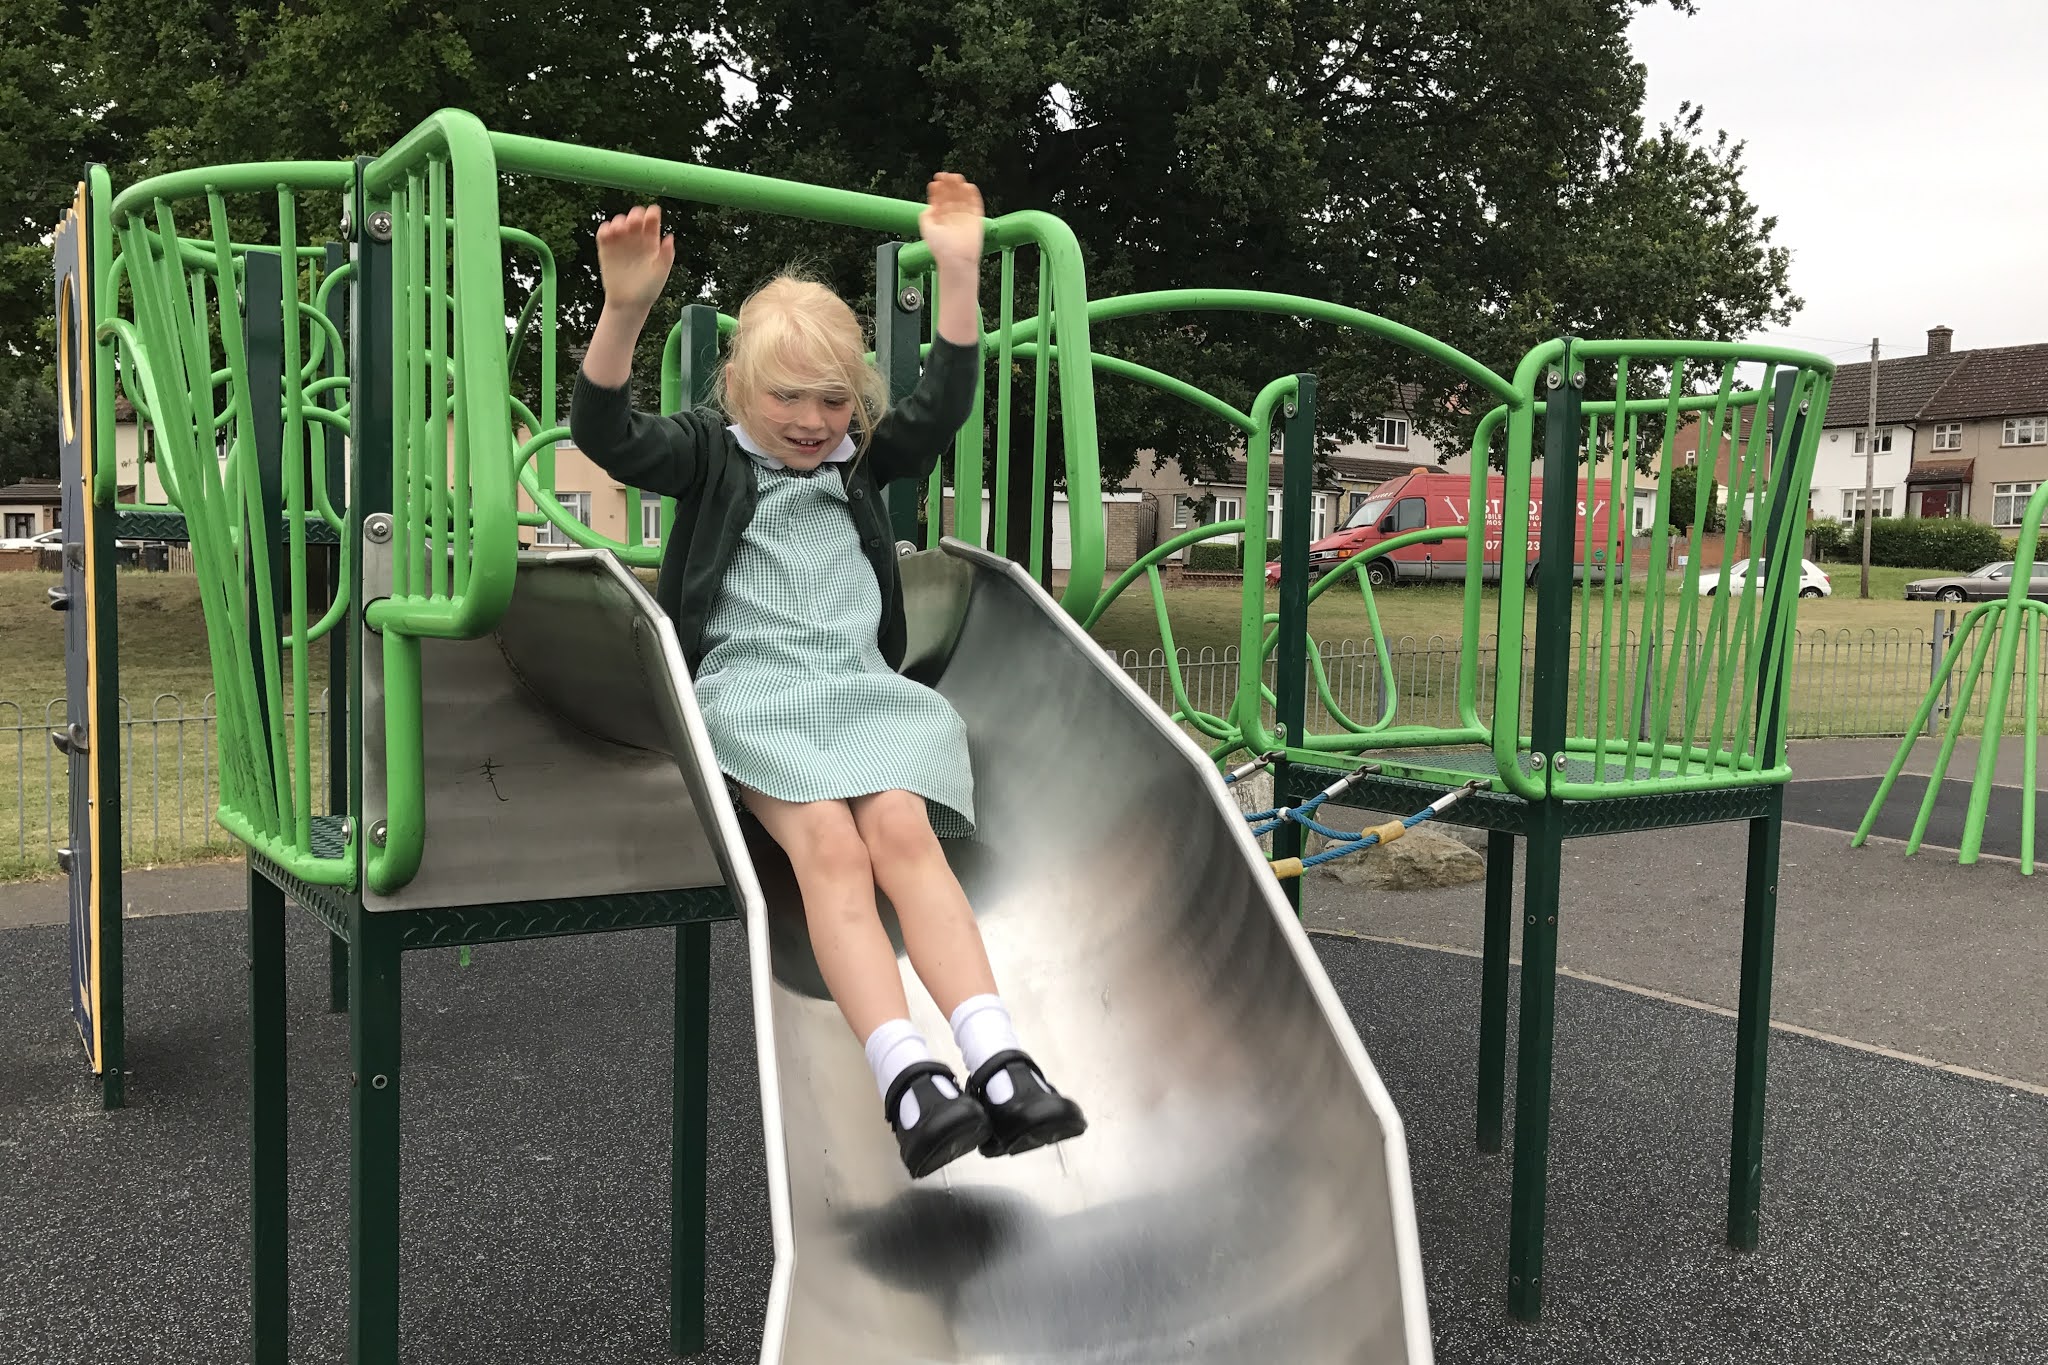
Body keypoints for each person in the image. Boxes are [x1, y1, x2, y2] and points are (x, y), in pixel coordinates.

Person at [568, 174, 1085, 1179]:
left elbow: (941, 404)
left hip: (861, 693)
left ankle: (999, 1057)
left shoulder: (859, 464)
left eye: (832, 399)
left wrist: (958, 275)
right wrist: (625, 308)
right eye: (785, 397)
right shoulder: (708, 456)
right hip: (755, 695)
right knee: (831, 856)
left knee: (899, 832)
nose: (809, 420)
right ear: (736, 391)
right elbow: (607, 436)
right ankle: (907, 1078)